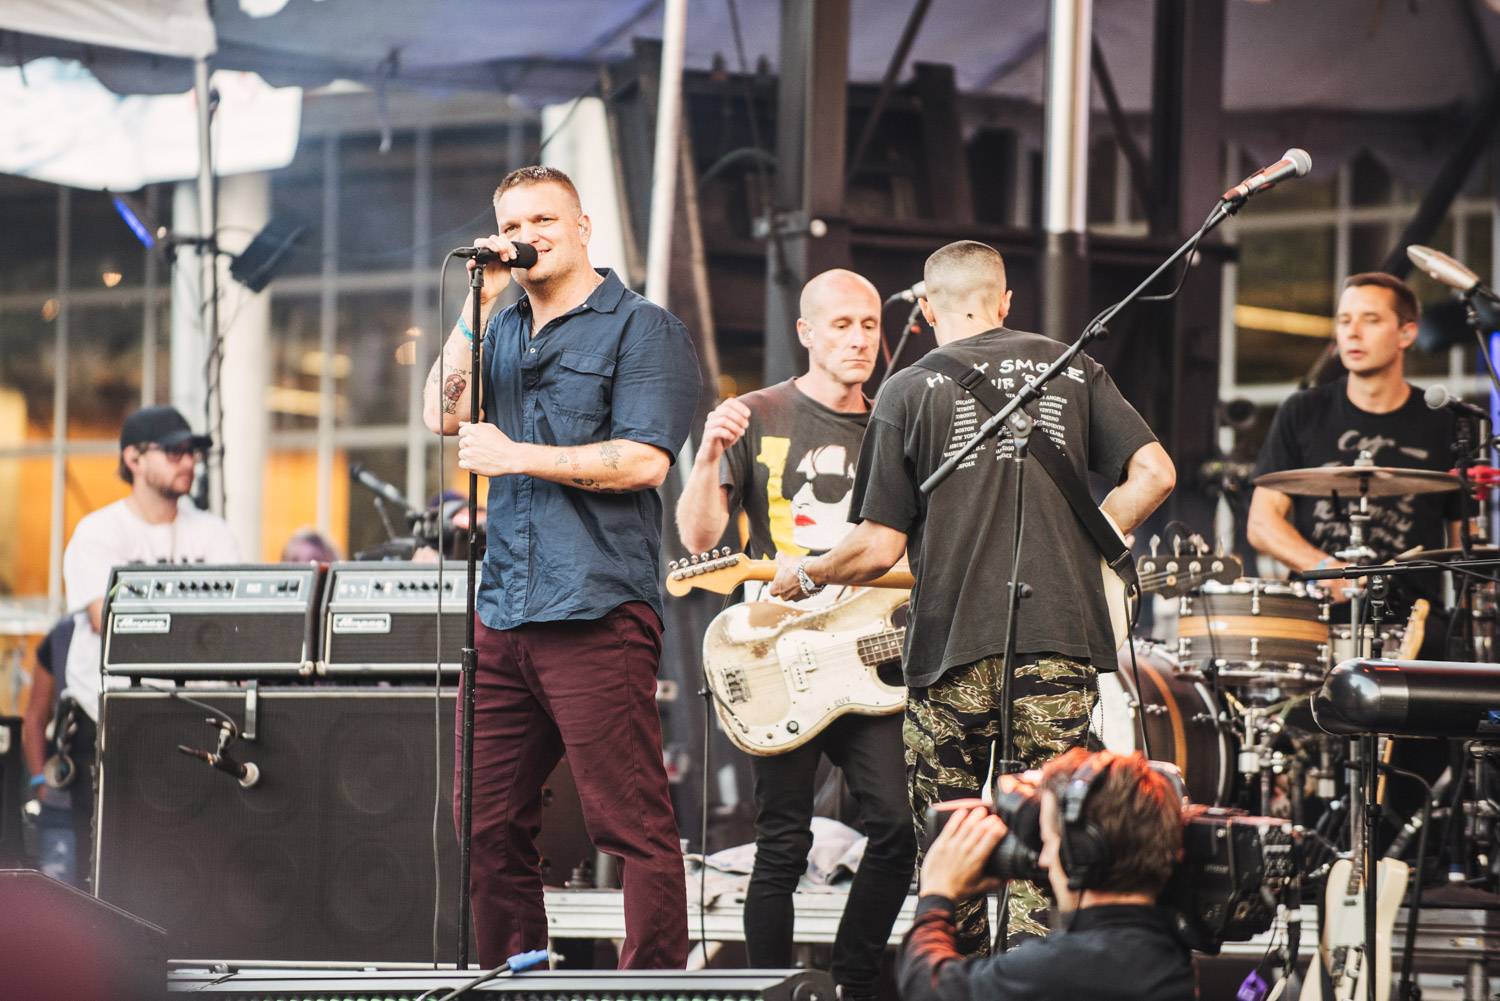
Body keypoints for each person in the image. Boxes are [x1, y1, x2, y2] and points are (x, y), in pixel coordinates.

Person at [770, 240, 1175, 953]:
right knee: (1048, 837)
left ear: (924, 310)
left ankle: (957, 980)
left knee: (953, 843)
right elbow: (1156, 471)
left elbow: (877, 546)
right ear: (1006, 300)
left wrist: (805, 574)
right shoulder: (1072, 367)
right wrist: (1094, 537)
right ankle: (1031, 983)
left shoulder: (905, 389)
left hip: (950, 648)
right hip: (1057, 638)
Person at [421, 165, 700, 970]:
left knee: (630, 822)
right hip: (504, 610)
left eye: (544, 218)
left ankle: (651, 988)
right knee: (485, 820)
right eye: (513, 222)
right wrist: (474, 306)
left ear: (583, 227)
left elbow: (644, 461)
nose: (526, 235)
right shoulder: (498, 322)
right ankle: (518, 978)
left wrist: (518, 456)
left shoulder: (642, 328)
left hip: (596, 609)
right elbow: (439, 412)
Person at [675, 269, 916, 1001]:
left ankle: (848, 980)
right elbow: (698, 538)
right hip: (778, 655)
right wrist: (710, 456)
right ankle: (774, 990)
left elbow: (911, 550)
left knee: (897, 829)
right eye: (840, 325)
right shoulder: (756, 413)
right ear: (807, 333)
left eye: (869, 324)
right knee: (783, 843)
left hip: (866, 656)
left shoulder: (894, 424)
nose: (859, 339)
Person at [60, 404, 241, 883]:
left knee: (190, 861)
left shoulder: (213, 532)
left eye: (194, 451)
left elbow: (239, 625)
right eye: (175, 451)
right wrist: (200, 627)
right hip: (109, 723)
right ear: (134, 459)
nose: (189, 461)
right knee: (105, 866)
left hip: (192, 721)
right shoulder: (98, 532)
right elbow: (109, 621)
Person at [898, 749, 1195, 1001]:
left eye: (1049, 842)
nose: (1042, 859)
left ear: (1082, 854)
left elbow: (927, 986)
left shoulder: (1061, 967)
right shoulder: (1170, 943)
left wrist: (936, 896)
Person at [1248, 271, 1462, 616]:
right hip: (1316, 620)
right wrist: (1323, 567)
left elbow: (1462, 539)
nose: (1353, 331)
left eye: (1371, 320)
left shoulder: (1444, 421)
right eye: (1344, 320)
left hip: (1414, 622)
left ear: (1406, 333)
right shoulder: (1303, 410)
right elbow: (1262, 522)